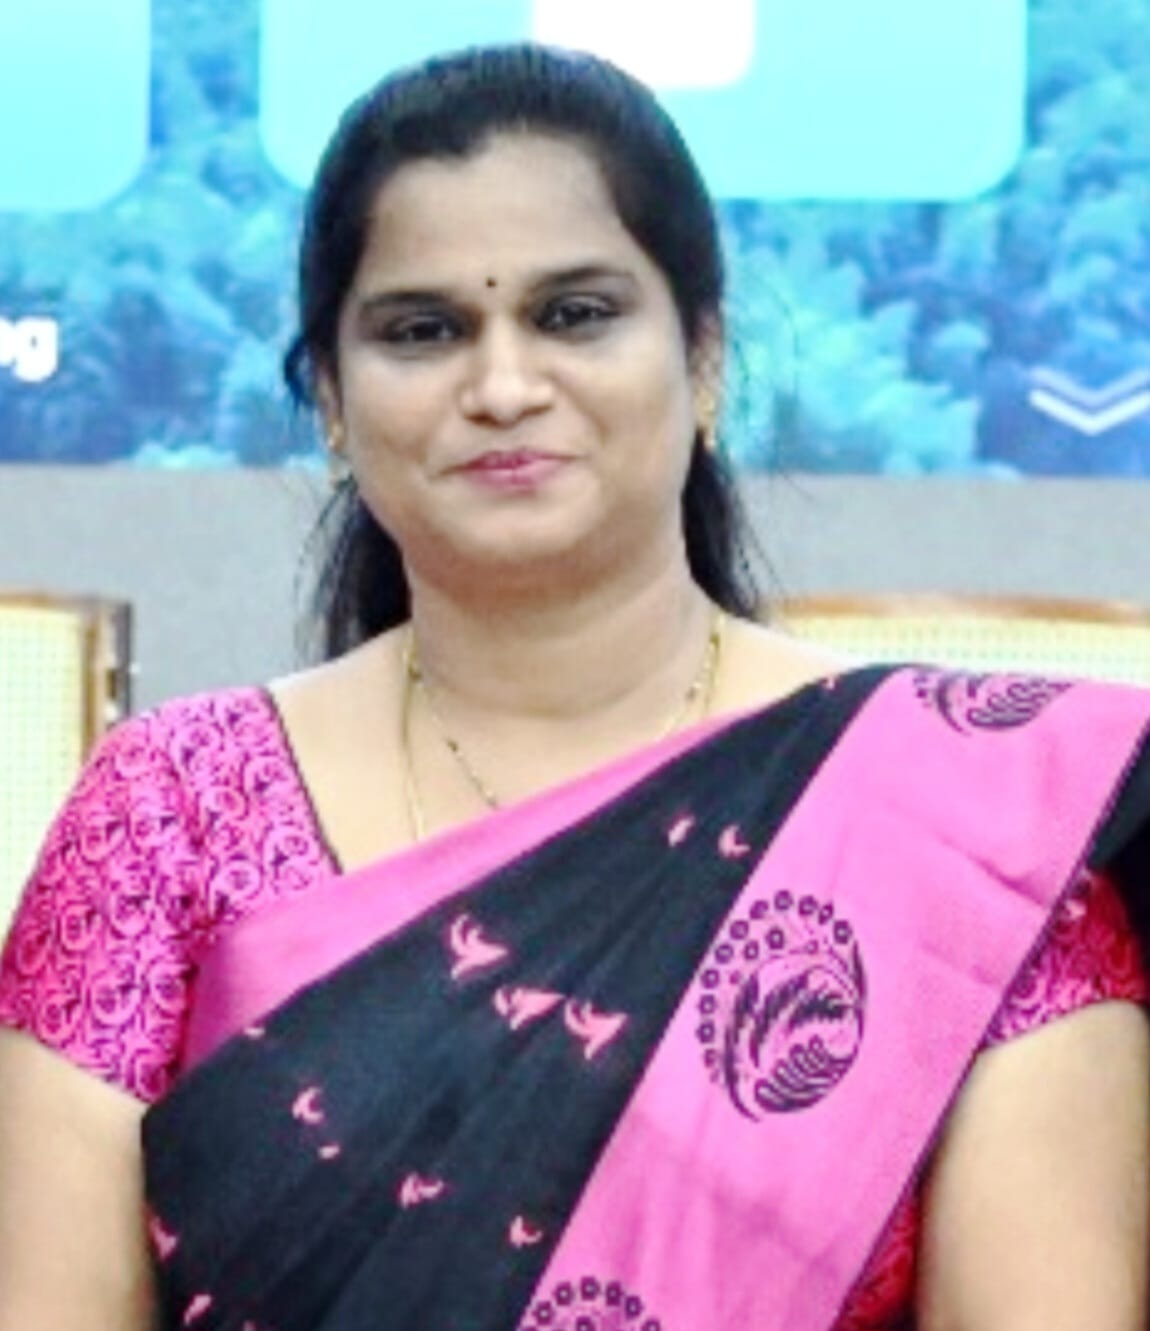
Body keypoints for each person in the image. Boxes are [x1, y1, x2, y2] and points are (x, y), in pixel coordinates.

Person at [1, 41, 1149, 1331]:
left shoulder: (970, 832)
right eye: (422, 330)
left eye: (575, 314)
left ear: (705, 361)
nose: (503, 387)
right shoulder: (173, 809)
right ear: (329, 399)